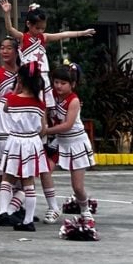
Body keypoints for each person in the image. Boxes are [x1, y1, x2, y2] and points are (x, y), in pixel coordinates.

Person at [0, 0, 94, 223]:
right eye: (38, 27)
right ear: (30, 25)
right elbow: (10, 29)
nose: (42, 31)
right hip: (31, 82)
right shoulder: (24, 38)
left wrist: (82, 33)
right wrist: (7, 13)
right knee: (36, 166)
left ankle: (45, 138)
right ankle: (19, 207)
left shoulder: (43, 38)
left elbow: (63, 35)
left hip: (42, 84)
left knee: (46, 114)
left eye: (43, 28)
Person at [0, 62, 49, 232]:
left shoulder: (12, 99)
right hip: (32, 142)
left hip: (15, 141)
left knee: (7, 179)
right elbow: (43, 129)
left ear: (20, 80)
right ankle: (28, 220)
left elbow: (6, 109)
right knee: (29, 182)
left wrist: (15, 90)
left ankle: (2, 212)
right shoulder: (40, 104)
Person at [44, 64, 96, 216]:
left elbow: (67, 125)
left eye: (63, 83)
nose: (58, 86)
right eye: (56, 82)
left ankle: (85, 210)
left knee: (77, 187)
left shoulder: (73, 100)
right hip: (59, 141)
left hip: (75, 142)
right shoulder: (50, 95)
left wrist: (46, 131)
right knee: (45, 171)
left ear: (72, 84)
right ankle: (53, 208)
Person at [0, 37, 20, 217]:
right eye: (2, 48)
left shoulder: (23, 73)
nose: (5, 51)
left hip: (20, 124)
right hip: (2, 123)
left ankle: (15, 206)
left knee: (17, 170)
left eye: (9, 48)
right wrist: (13, 100)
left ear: (17, 51)